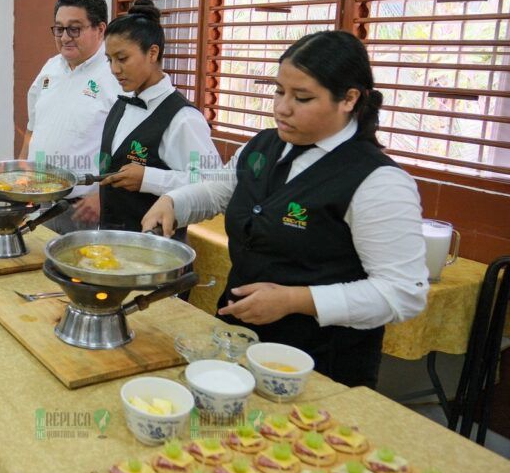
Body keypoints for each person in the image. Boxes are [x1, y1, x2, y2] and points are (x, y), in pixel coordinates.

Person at [142, 31, 429, 388]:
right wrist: (175, 201)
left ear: (349, 99)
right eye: (279, 91)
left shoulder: (378, 181)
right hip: (240, 344)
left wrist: (297, 300)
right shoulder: (266, 145)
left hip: (321, 365)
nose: (282, 108)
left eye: (302, 97)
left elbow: (403, 293)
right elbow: (221, 188)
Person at [98, 0, 219, 235]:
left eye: (122, 59)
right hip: (115, 244)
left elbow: (213, 187)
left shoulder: (183, 118)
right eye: (109, 59)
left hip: (157, 252)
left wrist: (149, 178)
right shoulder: (121, 103)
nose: (114, 69)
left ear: (153, 52)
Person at [19, 0, 119, 233]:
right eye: (59, 28)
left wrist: (103, 196)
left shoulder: (116, 75)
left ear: (100, 29)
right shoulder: (51, 68)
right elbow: (33, 126)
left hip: (85, 208)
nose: (65, 37)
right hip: (41, 201)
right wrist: (20, 171)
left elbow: (130, 148)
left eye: (74, 29)